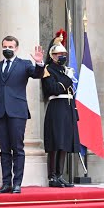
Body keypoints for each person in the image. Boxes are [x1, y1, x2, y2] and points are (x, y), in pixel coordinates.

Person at [0, 35, 44, 194]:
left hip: (17, 112)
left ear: (16, 48)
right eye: (5, 47)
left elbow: (37, 74)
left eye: (11, 47)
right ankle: (6, 183)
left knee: (17, 148)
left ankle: (17, 183)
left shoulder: (24, 64)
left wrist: (39, 63)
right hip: (0, 112)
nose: (7, 49)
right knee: (4, 149)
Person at [42, 29, 80, 188]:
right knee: (55, 143)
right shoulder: (47, 70)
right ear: (52, 55)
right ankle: (52, 177)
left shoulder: (65, 70)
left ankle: (59, 175)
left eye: (63, 54)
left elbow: (69, 91)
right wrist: (67, 79)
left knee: (64, 143)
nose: (62, 56)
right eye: (58, 54)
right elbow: (53, 89)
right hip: (56, 107)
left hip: (68, 108)